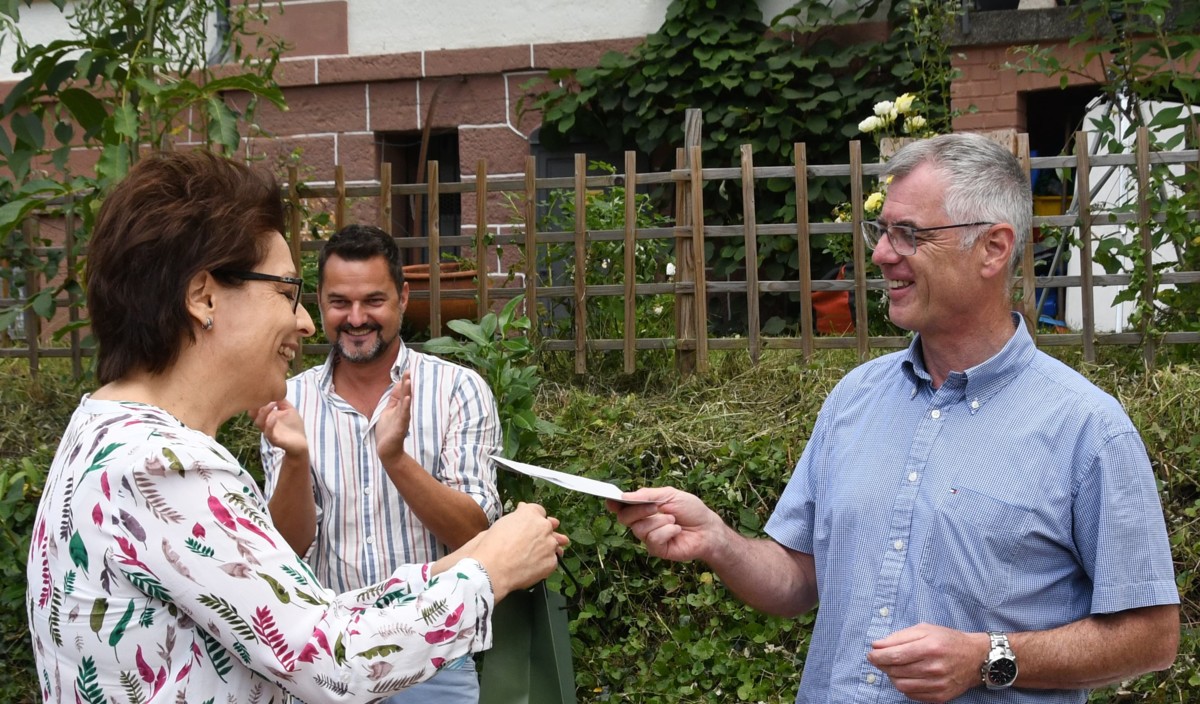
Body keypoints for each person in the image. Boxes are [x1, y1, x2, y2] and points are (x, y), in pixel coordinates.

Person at [609, 133, 1179, 704]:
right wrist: (718, 541)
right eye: (882, 232)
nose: (881, 254)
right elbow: (799, 579)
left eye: (909, 234)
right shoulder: (855, 399)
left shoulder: (1086, 428)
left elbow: (1151, 638)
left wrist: (989, 658)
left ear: (993, 248)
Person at [26, 150, 567, 703]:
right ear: (204, 296)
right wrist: (490, 572)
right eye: (288, 292)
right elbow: (332, 660)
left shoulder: (104, 432)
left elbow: (304, 616)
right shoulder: (165, 465)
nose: (306, 322)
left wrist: (466, 560)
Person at [259, 223, 500, 703]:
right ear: (319, 304)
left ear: (403, 297)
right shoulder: (290, 400)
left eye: (373, 300)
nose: (355, 318)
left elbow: (476, 536)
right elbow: (285, 548)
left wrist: (395, 459)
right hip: (329, 655)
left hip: (436, 652)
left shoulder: (458, 390)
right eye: (339, 302)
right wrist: (296, 459)